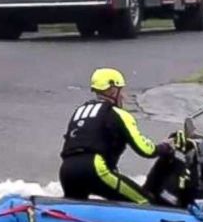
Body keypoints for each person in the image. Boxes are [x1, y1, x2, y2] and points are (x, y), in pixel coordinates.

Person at [59, 68, 175, 204]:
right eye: (121, 90)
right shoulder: (118, 114)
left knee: (76, 209)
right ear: (113, 91)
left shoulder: (80, 111)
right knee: (145, 202)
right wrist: (166, 147)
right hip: (94, 169)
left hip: (67, 171)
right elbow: (145, 150)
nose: (123, 95)